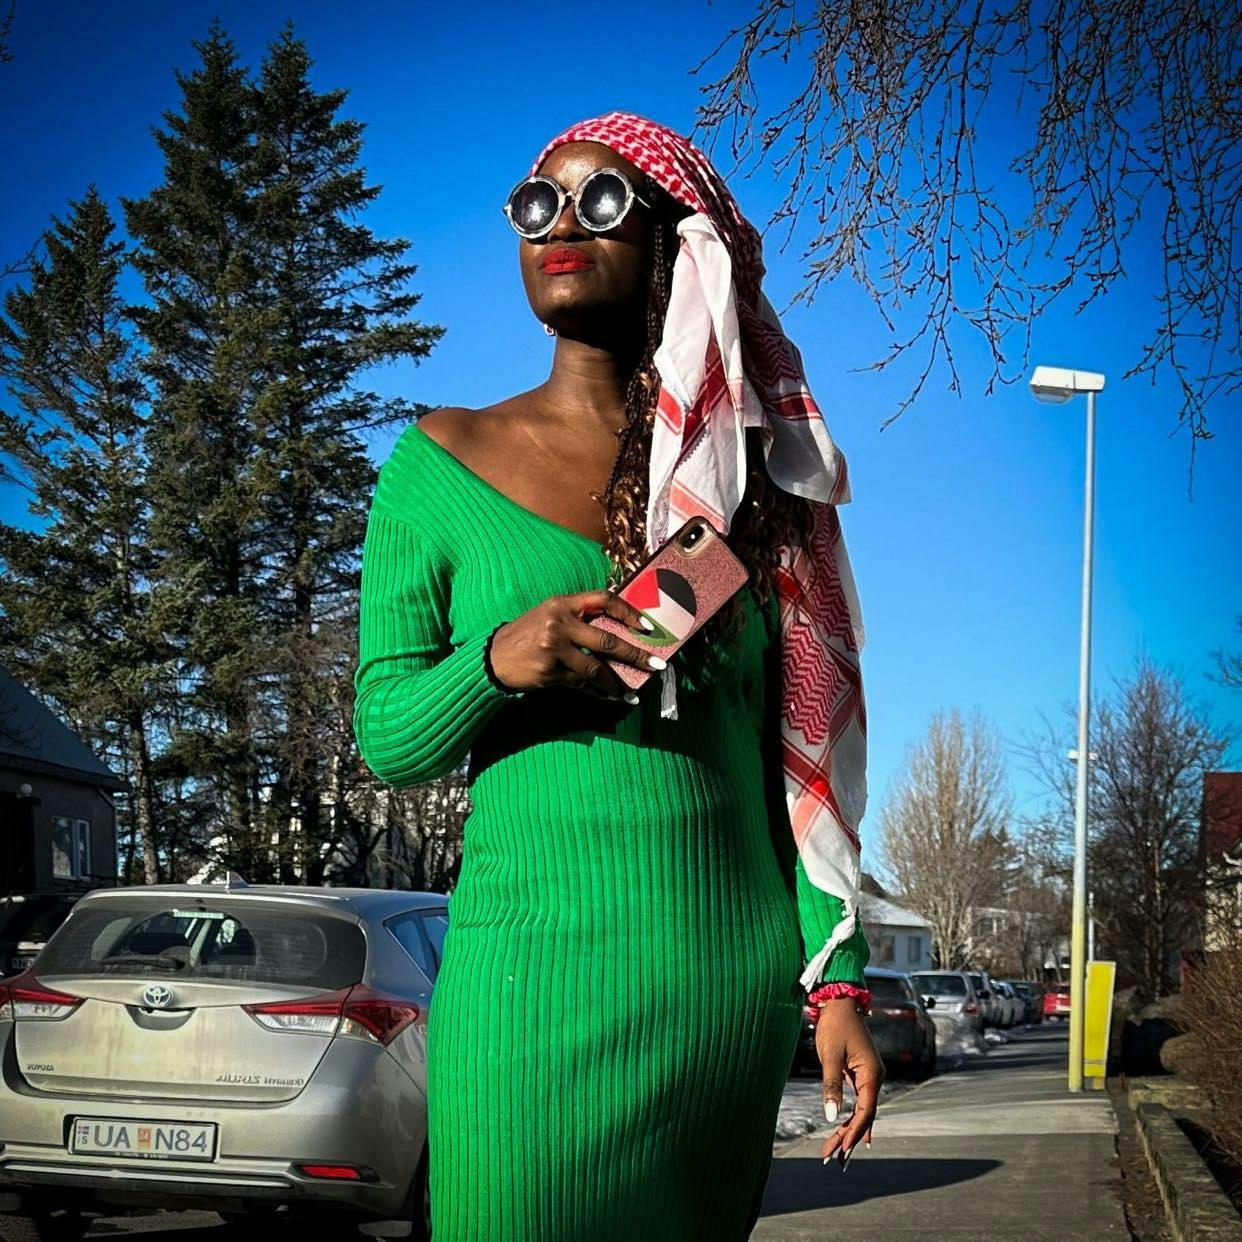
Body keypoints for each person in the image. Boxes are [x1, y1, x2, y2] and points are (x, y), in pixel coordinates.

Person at [353, 111, 881, 1242]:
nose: (558, 227)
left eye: (601, 204)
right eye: (535, 203)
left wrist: (837, 985)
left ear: (678, 247)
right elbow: (388, 734)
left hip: (722, 992)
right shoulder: (438, 463)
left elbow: (787, 765)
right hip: (526, 982)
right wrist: (500, 663)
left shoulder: (744, 491)